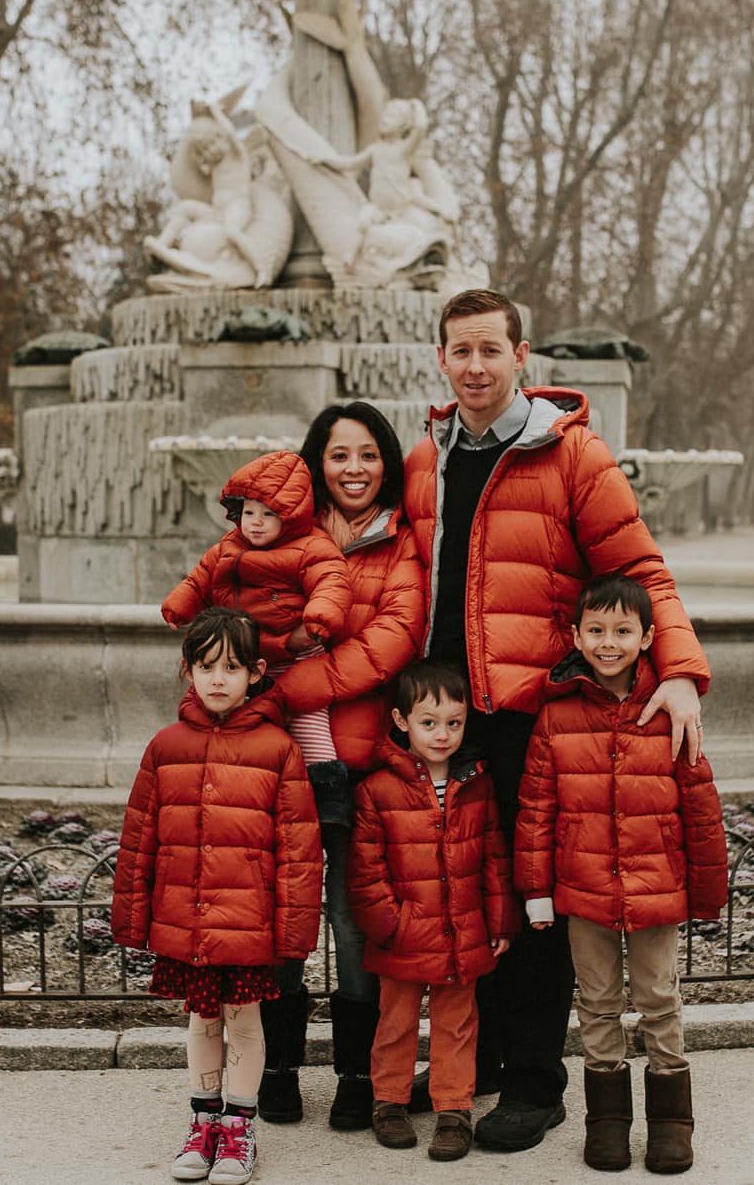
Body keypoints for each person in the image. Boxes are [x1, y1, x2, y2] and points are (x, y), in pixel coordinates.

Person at [402, 287, 711, 1153]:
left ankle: (538, 1085)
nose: (474, 366)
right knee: (466, 894)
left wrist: (680, 670)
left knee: (530, 900)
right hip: (443, 719)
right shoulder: (425, 458)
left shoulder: (572, 455)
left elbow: (642, 570)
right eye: (459, 351)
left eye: (489, 351)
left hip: (530, 716)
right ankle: (487, 1057)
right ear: (440, 358)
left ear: (521, 355)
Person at [516, 574, 728, 1173]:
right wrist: (536, 890)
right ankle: (606, 1119)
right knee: (599, 1002)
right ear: (576, 635)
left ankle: (671, 1121)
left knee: (659, 998)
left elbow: (700, 805)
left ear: (647, 637)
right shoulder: (556, 719)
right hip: (584, 891)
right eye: (597, 630)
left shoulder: (670, 711)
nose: (609, 642)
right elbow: (536, 812)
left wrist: (708, 890)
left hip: (656, 888)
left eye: (623, 631)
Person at [257, 403, 427, 1128]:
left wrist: (286, 675)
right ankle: (277, 1068)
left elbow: (392, 641)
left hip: (361, 772)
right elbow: (236, 629)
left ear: (386, 462)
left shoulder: (404, 546)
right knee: (282, 918)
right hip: (280, 770)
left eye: (367, 454)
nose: (354, 468)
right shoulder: (272, 537)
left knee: (358, 926)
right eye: (338, 455)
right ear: (315, 462)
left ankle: (358, 1075)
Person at [110, 607, 323, 1185]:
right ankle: (202, 1122)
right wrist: (131, 916)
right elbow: (140, 837)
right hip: (185, 917)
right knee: (203, 1020)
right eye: (206, 666)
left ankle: (239, 1126)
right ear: (188, 671)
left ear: (256, 672)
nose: (218, 678)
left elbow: (299, 851)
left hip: (247, 922)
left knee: (245, 1021)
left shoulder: (277, 749)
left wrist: (294, 932)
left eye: (231, 667)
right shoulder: (165, 747)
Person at [347, 660, 517, 1162]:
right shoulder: (376, 789)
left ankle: (453, 1108)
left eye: (454, 723)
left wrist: (500, 920)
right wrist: (389, 925)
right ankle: (390, 1102)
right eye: (428, 722)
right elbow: (366, 869)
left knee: (457, 1023)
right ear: (402, 721)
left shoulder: (476, 784)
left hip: (462, 929)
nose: (442, 735)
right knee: (395, 1022)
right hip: (402, 933)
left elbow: (493, 857)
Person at [162, 450, 353, 759]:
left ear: (291, 517)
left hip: (297, 658)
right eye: (249, 513)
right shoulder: (229, 544)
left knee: (311, 731)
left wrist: (320, 617)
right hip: (243, 658)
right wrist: (179, 606)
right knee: (240, 730)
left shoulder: (312, 546)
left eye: (268, 515)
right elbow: (201, 577)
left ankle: (325, 792)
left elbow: (331, 580)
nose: (256, 524)